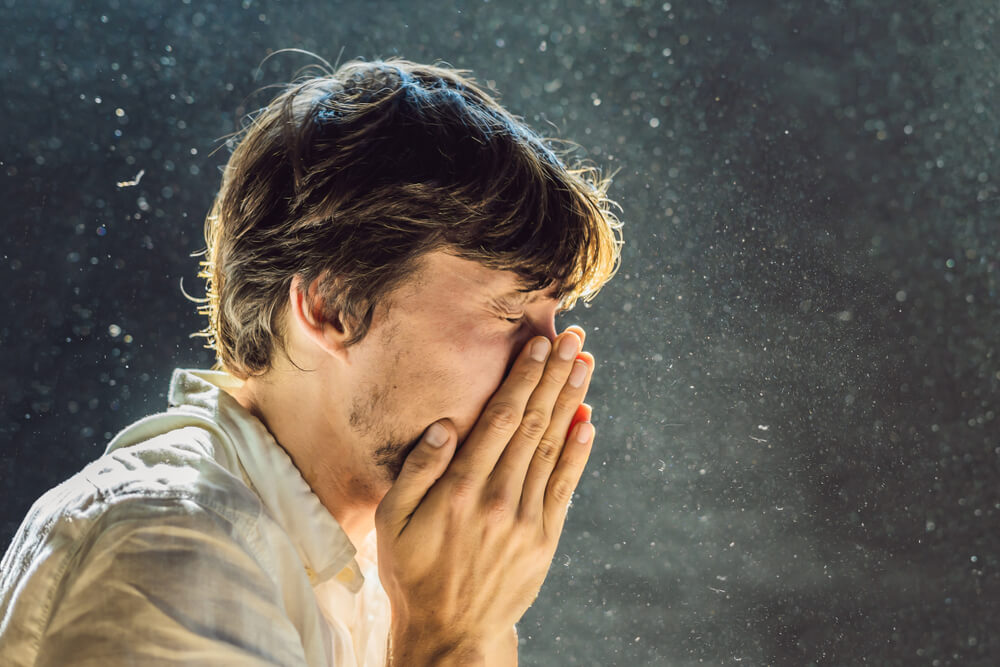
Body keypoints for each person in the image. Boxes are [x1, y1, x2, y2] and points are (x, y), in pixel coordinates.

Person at [0, 58, 622, 666]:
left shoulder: (389, 579)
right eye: (511, 314)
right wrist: (449, 642)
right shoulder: (168, 551)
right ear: (334, 308)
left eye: (554, 319)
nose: (548, 371)